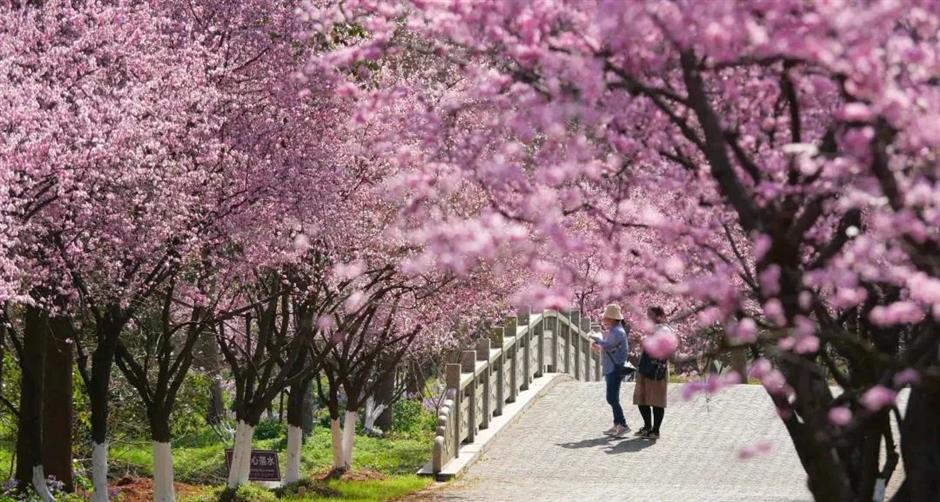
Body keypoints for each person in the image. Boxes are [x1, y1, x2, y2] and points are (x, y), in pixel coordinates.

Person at [591, 304, 630, 437]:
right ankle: (617, 424)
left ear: (612, 318)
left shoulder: (617, 332)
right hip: (611, 366)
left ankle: (622, 424)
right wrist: (600, 346)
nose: (604, 320)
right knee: (613, 397)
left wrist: (597, 338)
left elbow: (608, 345)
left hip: (614, 368)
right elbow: (609, 348)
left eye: (606, 318)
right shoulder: (614, 330)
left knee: (612, 397)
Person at [634, 306, 671, 440]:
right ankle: (647, 426)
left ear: (659, 316)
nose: (648, 317)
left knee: (656, 401)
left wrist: (642, 341)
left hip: (656, 369)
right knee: (641, 399)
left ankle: (655, 430)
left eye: (650, 315)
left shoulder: (664, 330)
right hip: (646, 367)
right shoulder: (653, 330)